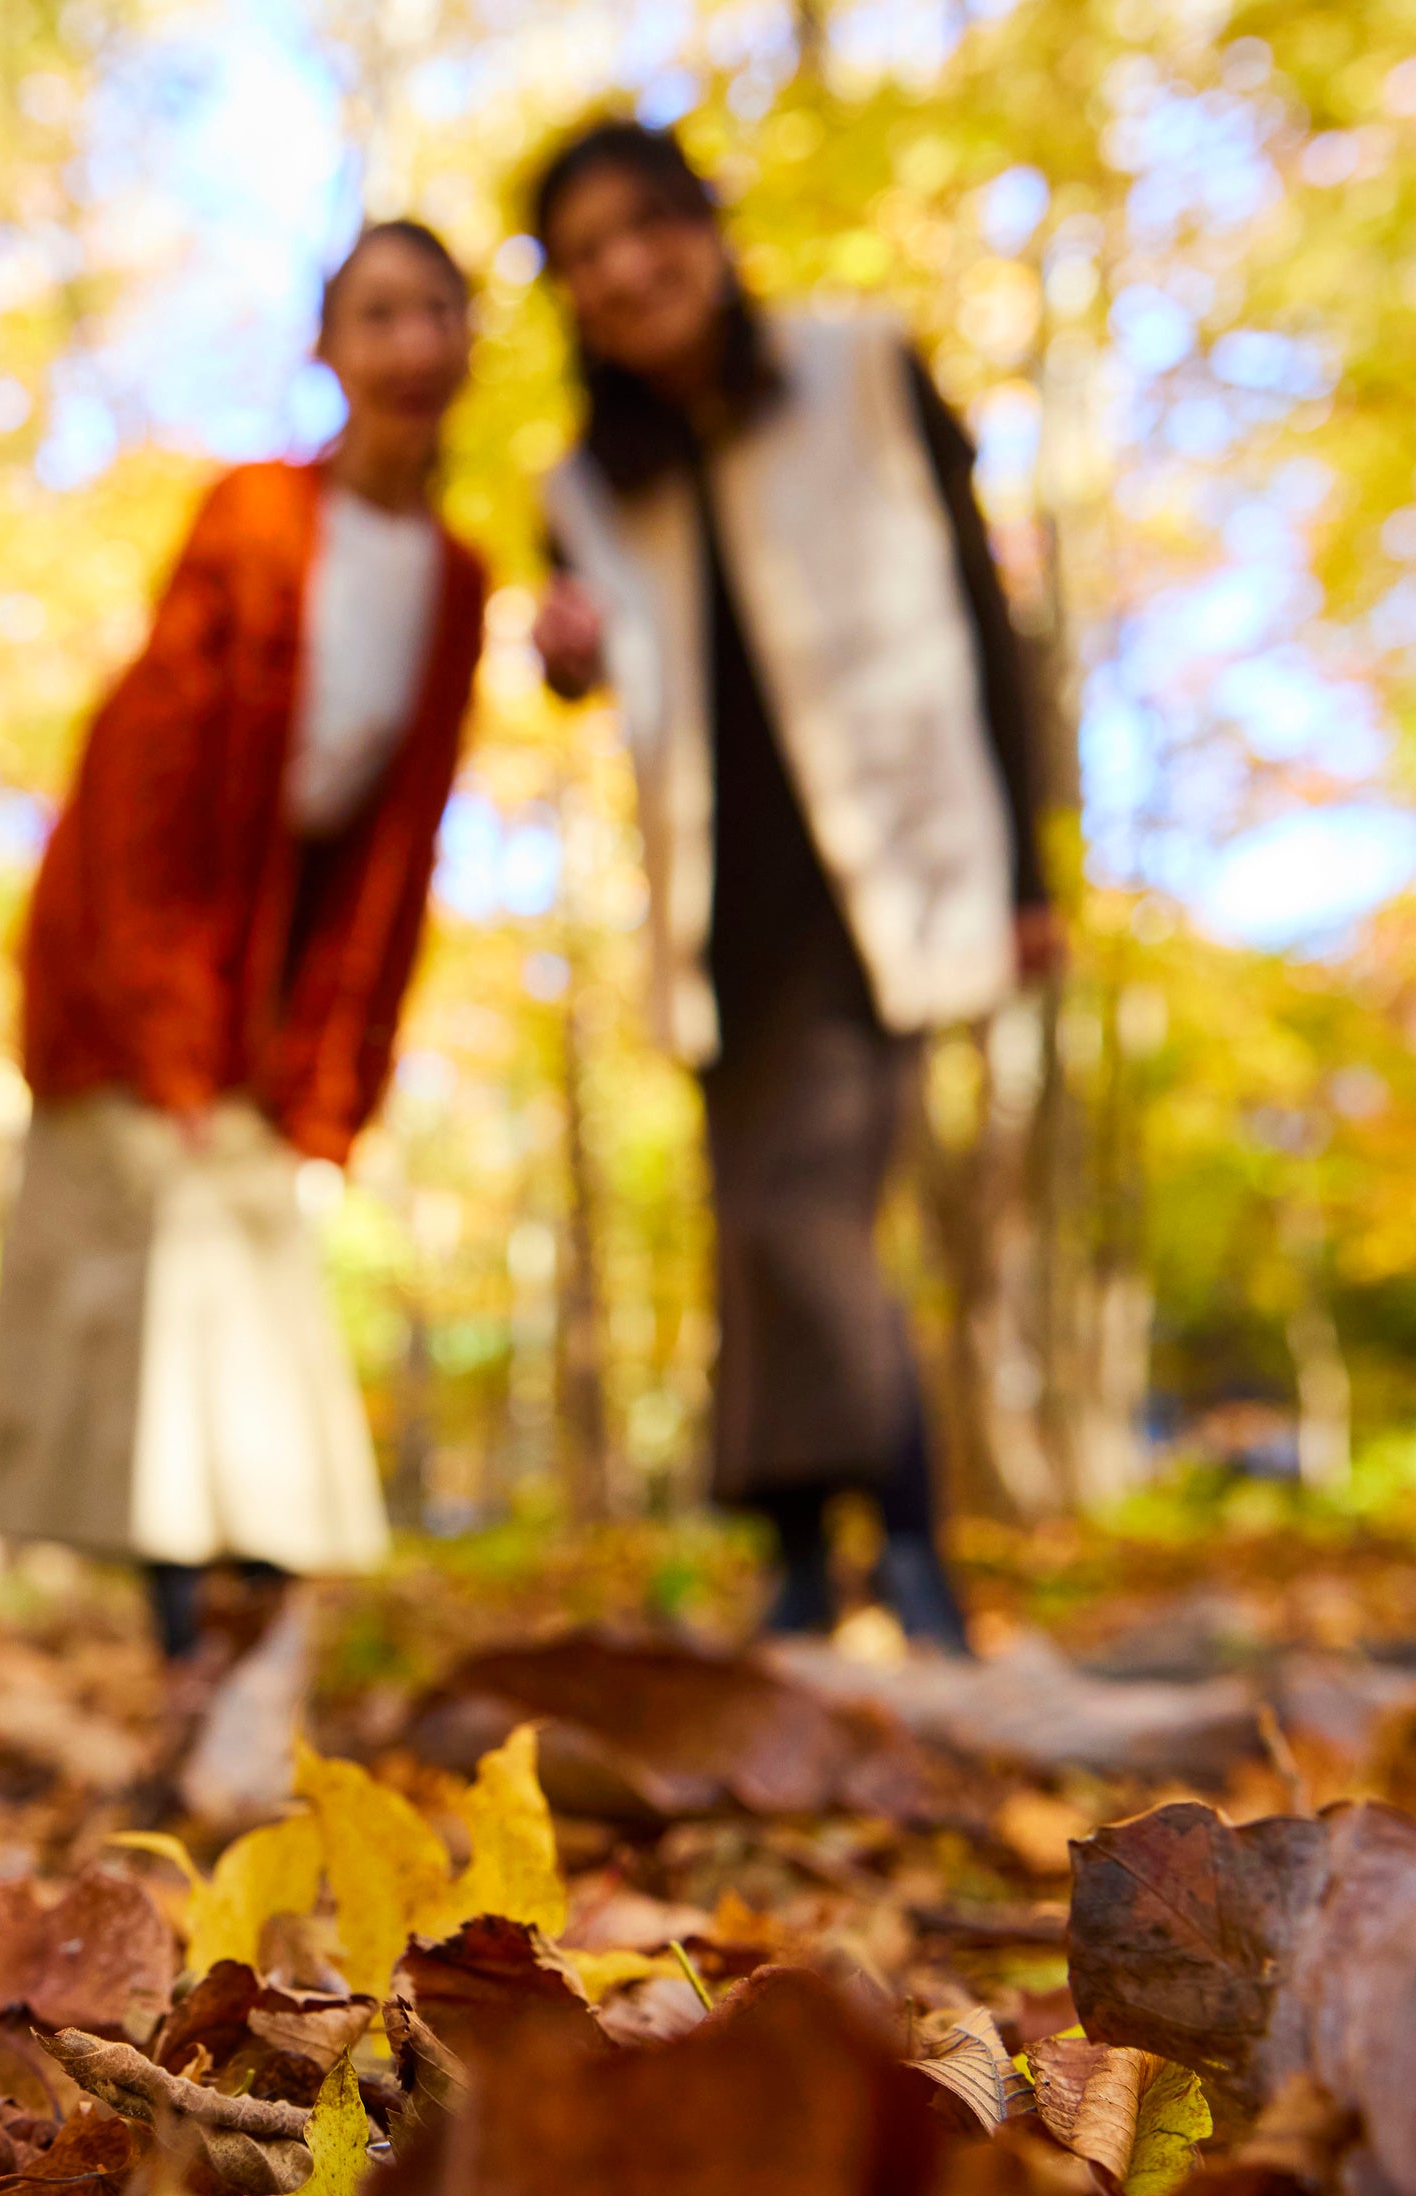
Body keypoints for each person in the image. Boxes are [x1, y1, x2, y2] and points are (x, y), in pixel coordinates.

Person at [526, 119, 1056, 1657]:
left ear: (705, 225)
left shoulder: (865, 367)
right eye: (586, 254)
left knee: (799, 1208)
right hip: (717, 908)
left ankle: (908, 1553)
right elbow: (590, 662)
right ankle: (803, 1573)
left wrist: (1028, 870)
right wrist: (564, 663)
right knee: (754, 1221)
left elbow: (985, 612)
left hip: (884, 870)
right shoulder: (584, 485)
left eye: (647, 225)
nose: (627, 268)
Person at [0, 221, 488, 1665]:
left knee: (257, 1272)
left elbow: (398, 851)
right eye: (378, 314)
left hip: (271, 988)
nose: (410, 342)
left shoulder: (458, 581)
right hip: (137, 952)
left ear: (468, 340)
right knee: (158, 1264)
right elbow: (153, 776)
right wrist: (174, 1036)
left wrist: (331, 1079)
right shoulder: (252, 516)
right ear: (330, 350)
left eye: (436, 311)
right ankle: (180, 1641)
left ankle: (254, 1643)